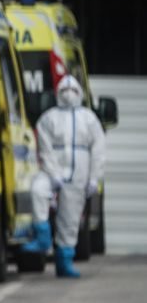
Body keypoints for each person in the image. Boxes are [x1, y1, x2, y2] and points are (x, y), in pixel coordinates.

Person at [21, 75, 105, 278]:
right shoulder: (49, 118)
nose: (69, 94)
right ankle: (42, 234)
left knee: (70, 217)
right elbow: (45, 148)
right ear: (57, 94)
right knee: (38, 190)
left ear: (80, 94)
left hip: (79, 172)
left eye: (74, 91)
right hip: (52, 171)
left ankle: (64, 260)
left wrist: (95, 178)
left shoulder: (89, 119)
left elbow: (99, 150)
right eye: (64, 90)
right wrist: (53, 172)